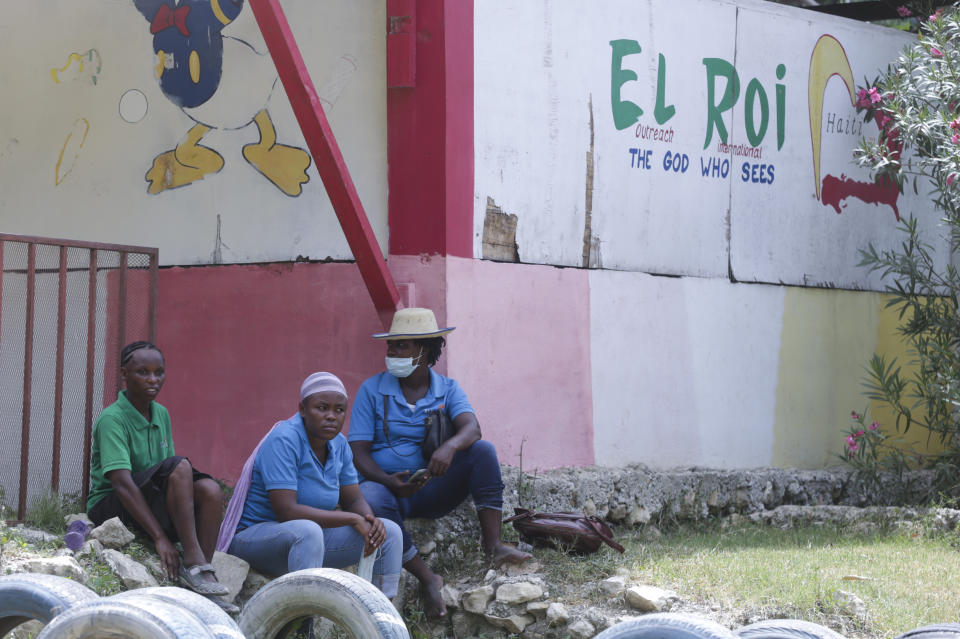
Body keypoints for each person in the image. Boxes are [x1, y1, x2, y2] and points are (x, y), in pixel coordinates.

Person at [348, 308, 531, 619]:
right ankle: (428, 577)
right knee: (371, 498)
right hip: (389, 489)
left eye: (401, 346)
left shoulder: (447, 389)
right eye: (391, 346)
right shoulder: (371, 390)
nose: (392, 352)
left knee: (482, 451)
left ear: (425, 350)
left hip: (434, 487)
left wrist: (449, 447)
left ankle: (494, 545)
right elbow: (358, 452)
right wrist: (388, 480)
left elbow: (472, 428)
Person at [220, 372, 402, 601]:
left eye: (339, 410)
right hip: (258, 539)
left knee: (390, 533)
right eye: (322, 408)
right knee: (307, 531)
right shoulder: (284, 440)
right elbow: (287, 511)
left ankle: (382, 619)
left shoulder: (340, 445)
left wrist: (368, 519)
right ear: (303, 410)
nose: (331, 416)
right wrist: (352, 519)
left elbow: (353, 500)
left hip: (309, 542)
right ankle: (304, 623)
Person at [87, 341, 234, 610]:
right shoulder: (113, 418)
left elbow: (169, 479)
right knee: (180, 466)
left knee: (210, 490)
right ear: (124, 374)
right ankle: (192, 557)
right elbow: (121, 482)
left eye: (159, 372)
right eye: (143, 372)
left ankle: (201, 571)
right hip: (111, 506)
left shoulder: (161, 414)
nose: (153, 379)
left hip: (147, 498)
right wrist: (160, 538)